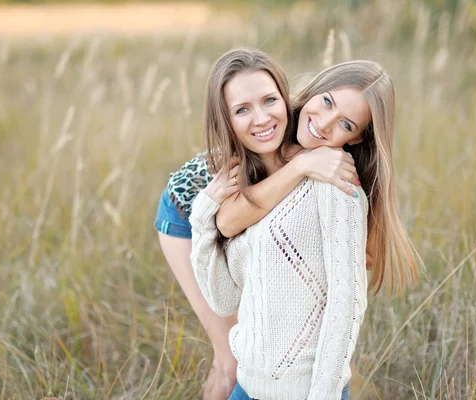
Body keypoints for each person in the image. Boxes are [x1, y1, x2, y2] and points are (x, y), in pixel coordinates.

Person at [189, 49, 421, 399]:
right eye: (326, 102)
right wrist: (204, 210)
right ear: (311, 92)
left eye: (346, 124)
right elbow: (223, 296)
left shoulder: (335, 181)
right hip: (247, 388)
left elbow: (346, 306)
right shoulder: (244, 168)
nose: (326, 123)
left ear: (357, 137)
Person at [155, 50, 362, 399]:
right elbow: (226, 221)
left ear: (284, 97)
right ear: (227, 118)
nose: (262, 117)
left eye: (270, 100)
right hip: (185, 210)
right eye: (241, 109)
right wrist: (300, 167)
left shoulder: (312, 134)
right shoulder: (236, 166)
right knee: (229, 364)